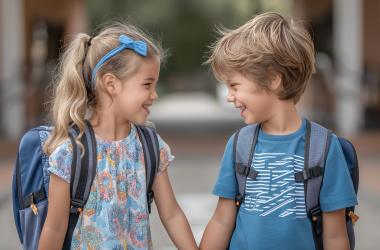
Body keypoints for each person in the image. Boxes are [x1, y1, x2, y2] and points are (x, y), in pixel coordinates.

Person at [200, 13, 357, 250]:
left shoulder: (324, 147)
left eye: (234, 85)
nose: (230, 96)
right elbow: (222, 219)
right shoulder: (240, 144)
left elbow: (335, 235)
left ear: (274, 80)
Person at [38, 22, 198, 250]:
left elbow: (171, 214)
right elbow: (54, 227)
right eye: (147, 84)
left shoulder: (151, 147)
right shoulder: (71, 152)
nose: (154, 94)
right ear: (111, 83)